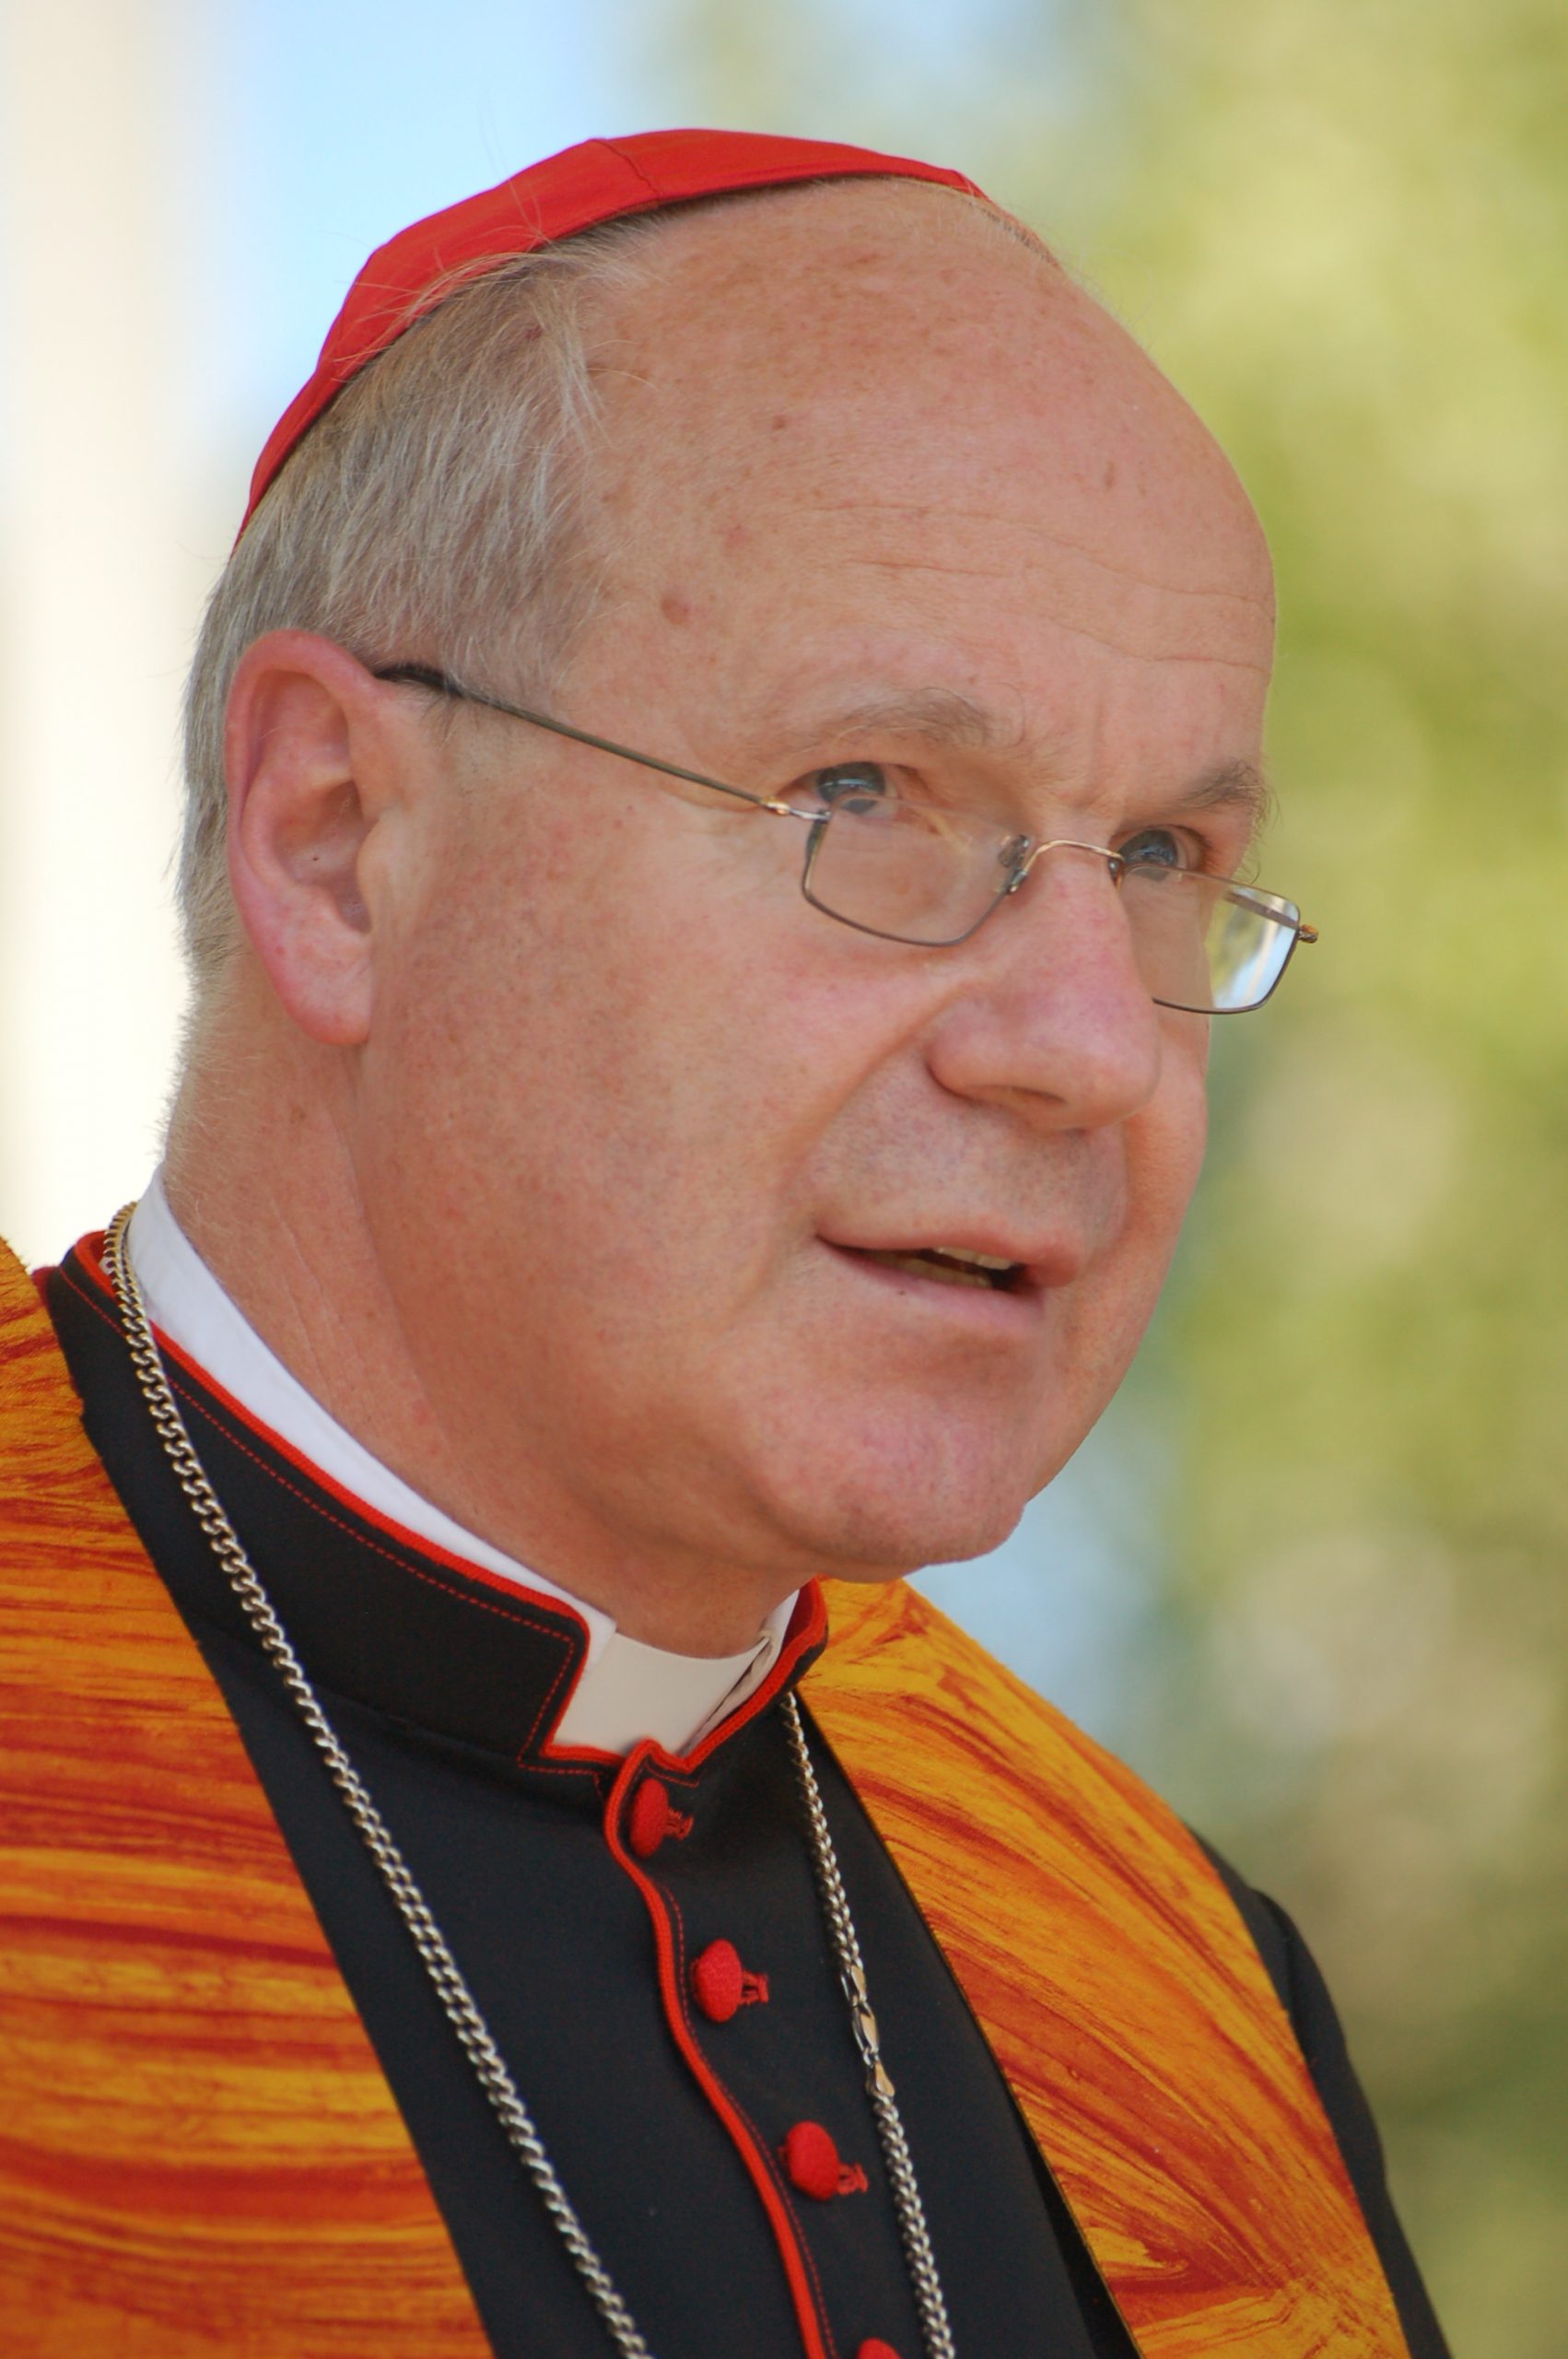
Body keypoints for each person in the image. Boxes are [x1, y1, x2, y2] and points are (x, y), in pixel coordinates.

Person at [0, 129, 1448, 2359]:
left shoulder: (1180, 1983)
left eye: (1160, 848)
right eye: (867, 795)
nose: (1089, 1046)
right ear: (337, 841)